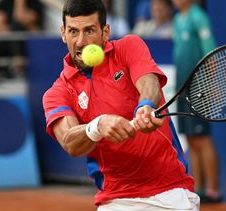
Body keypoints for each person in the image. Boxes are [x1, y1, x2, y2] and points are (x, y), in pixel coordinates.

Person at [42, 0, 199, 210]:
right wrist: (96, 126)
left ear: (105, 32)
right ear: (63, 33)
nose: (80, 41)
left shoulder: (129, 47)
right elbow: (69, 141)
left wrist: (145, 105)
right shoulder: (57, 93)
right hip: (116, 200)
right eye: (73, 31)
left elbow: (148, 82)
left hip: (169, 193)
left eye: (89, 30)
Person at [172, 0, 221, 203]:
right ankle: (198, 188)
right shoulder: (177, 19)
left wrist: (211, 84)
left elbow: (211, 54)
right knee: (191, 139)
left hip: (199, 88)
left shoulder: (199, 17)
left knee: (202, 138)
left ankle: (213, 191)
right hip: (182, 88)